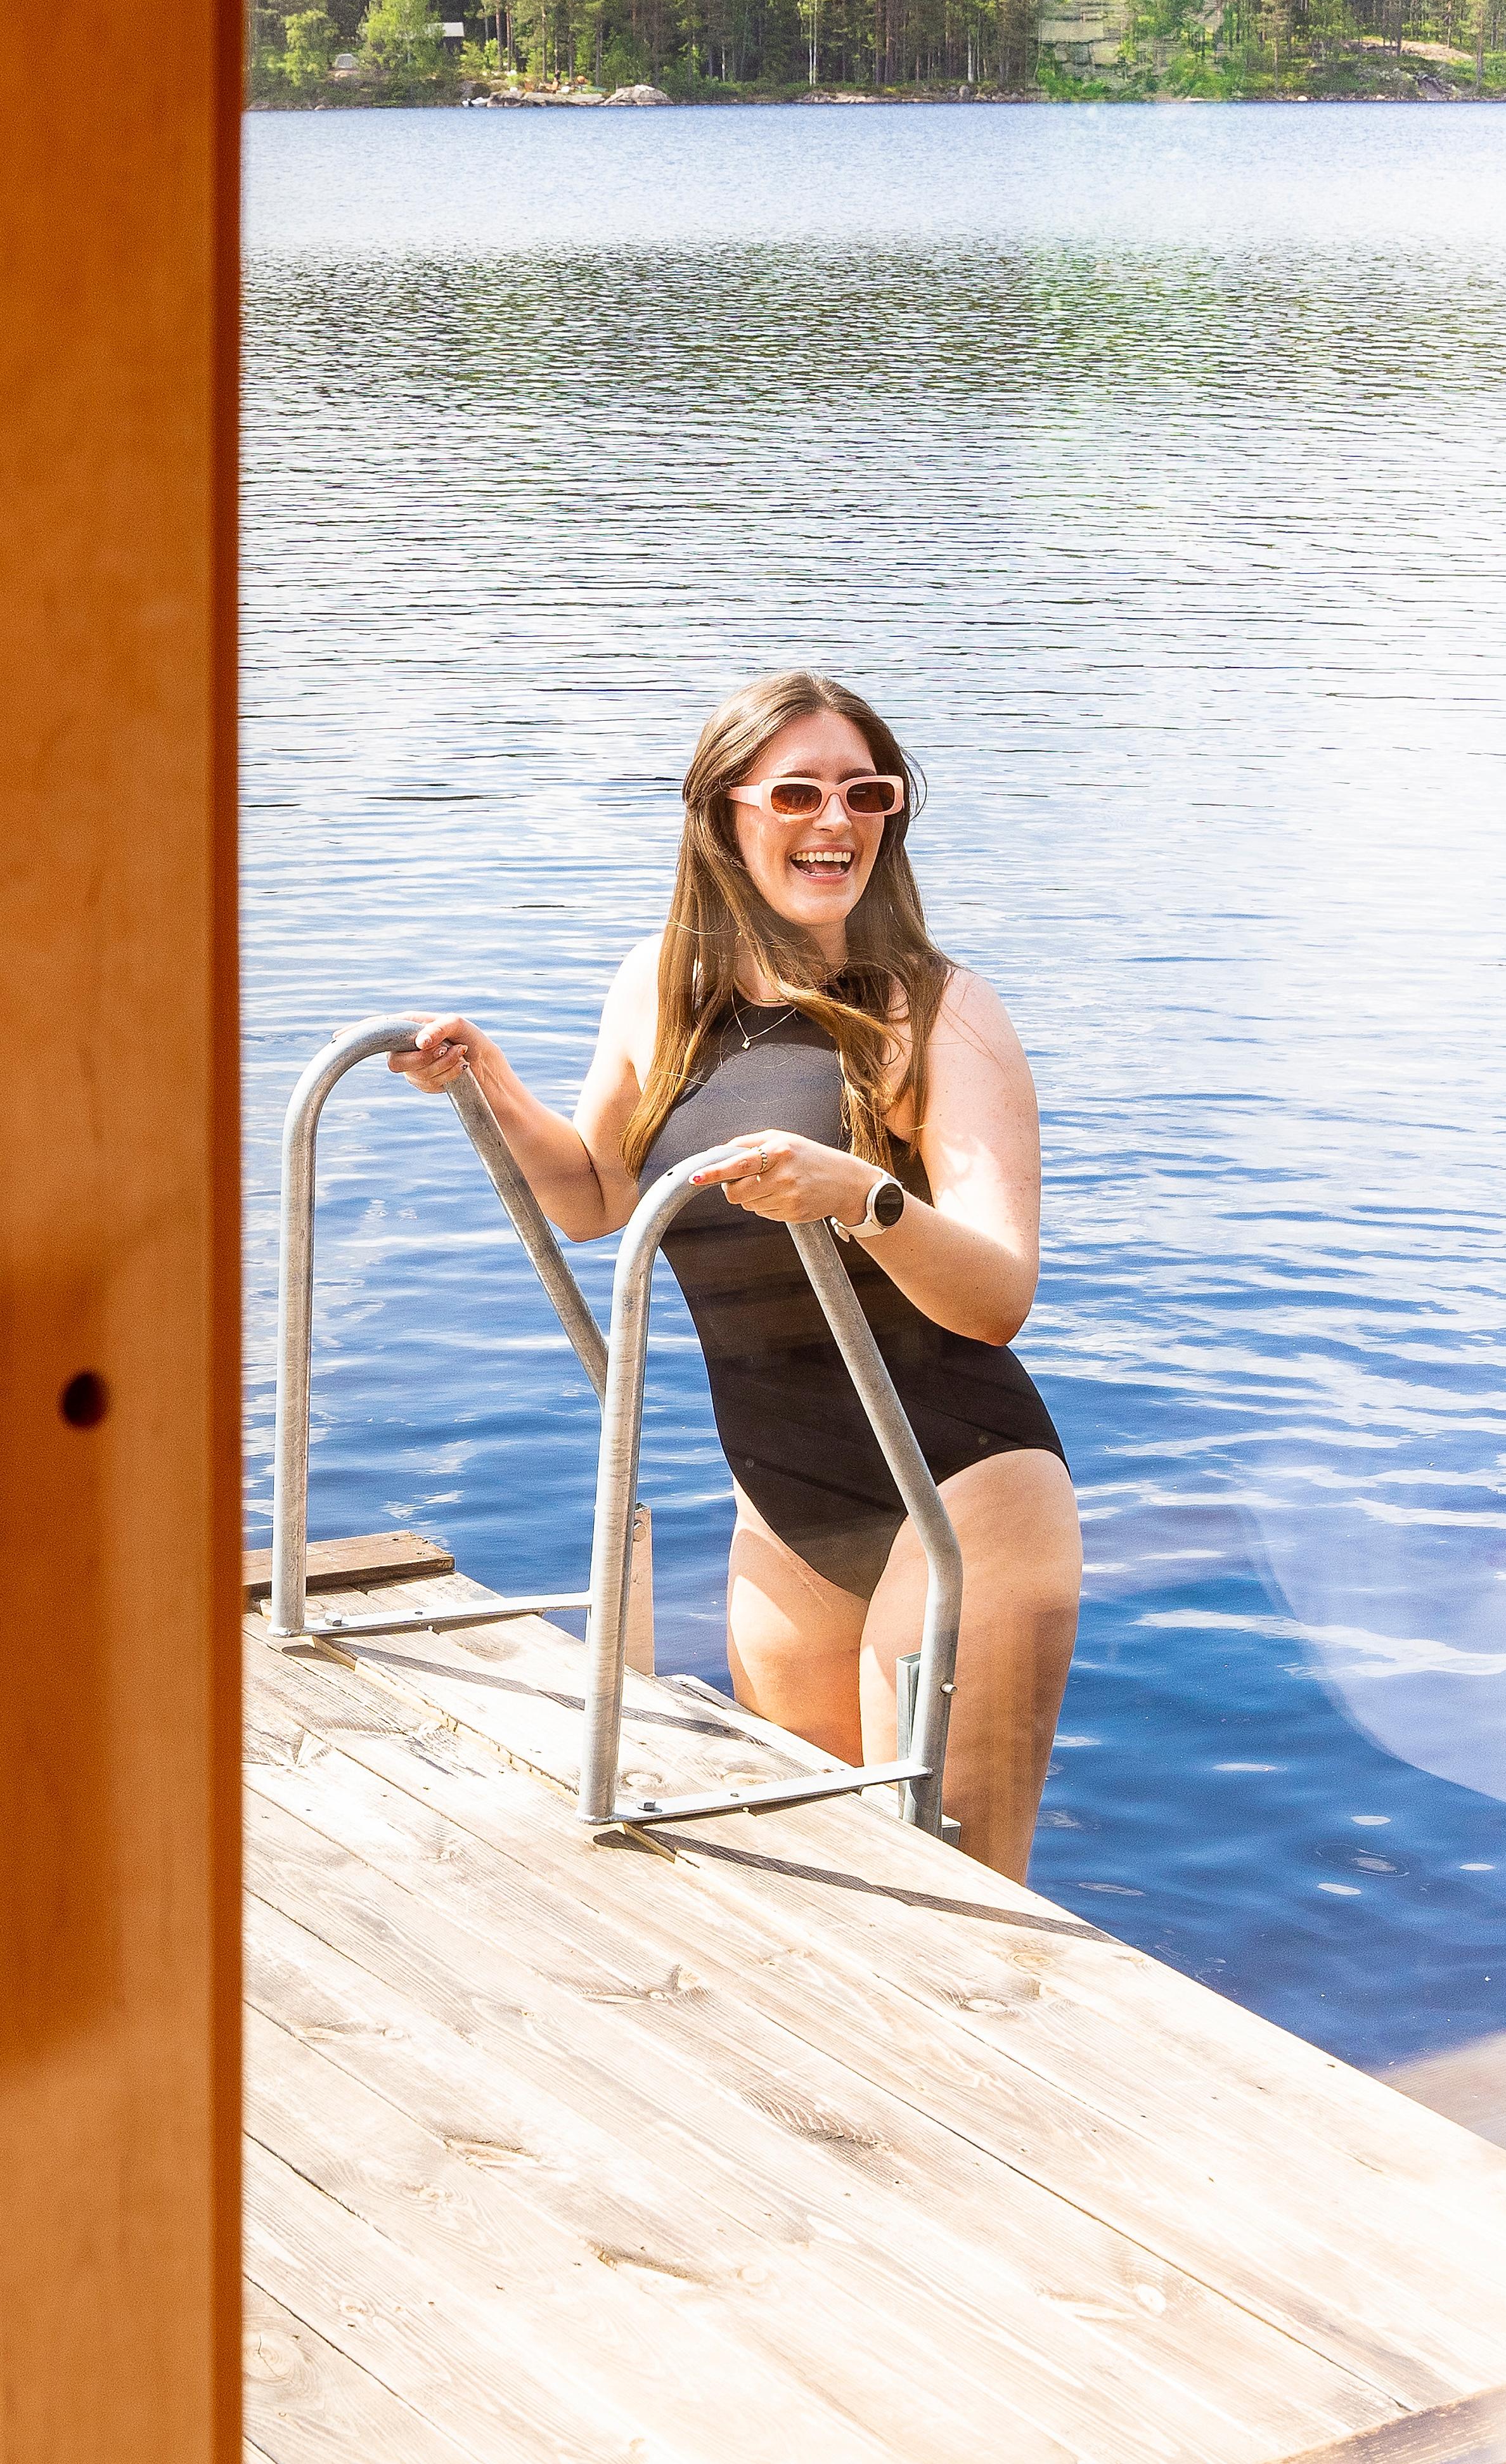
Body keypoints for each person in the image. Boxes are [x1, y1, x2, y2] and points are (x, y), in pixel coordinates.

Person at [390, 672, 1079, 1876]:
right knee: (807, 1873)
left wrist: (862, 1196)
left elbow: (997, 1292)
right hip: (785, 1504)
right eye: (798, 792)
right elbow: (599, 1198)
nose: (836, 821)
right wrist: (491, 1089)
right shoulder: (660, 989)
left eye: (867, 793)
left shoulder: (939, 1012)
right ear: (723, 814)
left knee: (950, 1887)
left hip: (962, 1497)